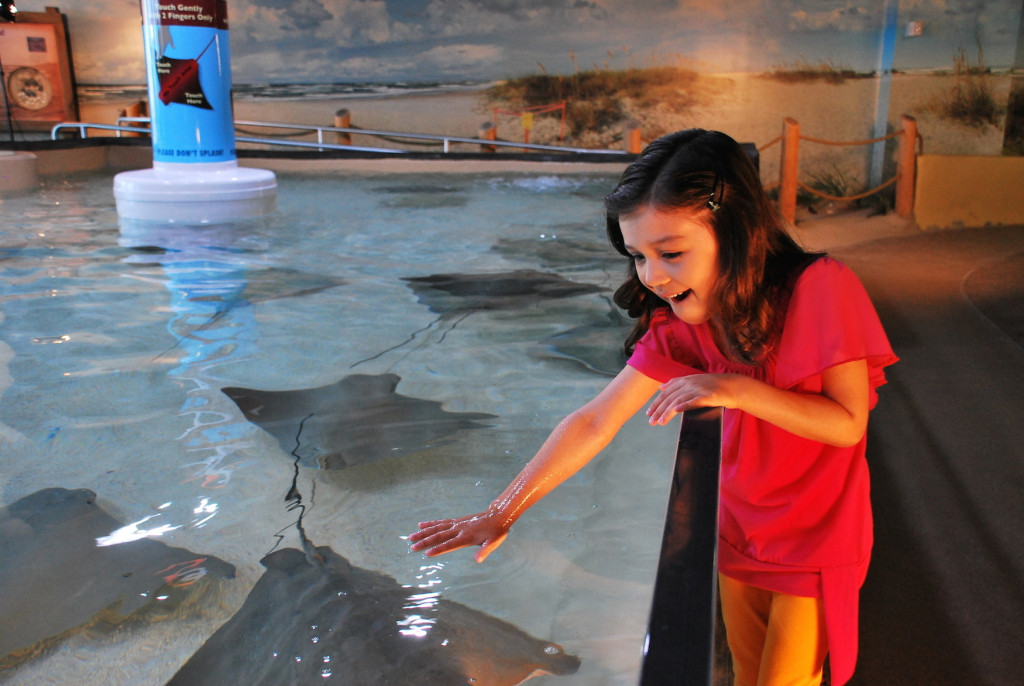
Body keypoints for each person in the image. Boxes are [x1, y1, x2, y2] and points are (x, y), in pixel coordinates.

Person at [409, 129, 897, 686]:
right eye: (638, 256)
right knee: (746, 671)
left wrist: (735, 390)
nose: (652, 276)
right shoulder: (679, 326)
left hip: (816, 539)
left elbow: (847, 422)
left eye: (671, 253)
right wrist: (501, 511)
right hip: (737, 532)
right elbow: (596, 419)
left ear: (735, 232)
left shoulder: (820, 287)